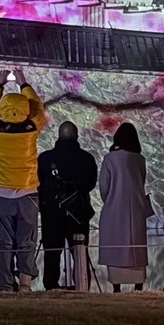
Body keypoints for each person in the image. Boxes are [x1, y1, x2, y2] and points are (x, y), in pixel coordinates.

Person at [0, 68, 46, 292]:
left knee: (2, 241)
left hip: (2, 192)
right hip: (28, 191)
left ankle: (5, 286)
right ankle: (26, 283)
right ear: (25, 109)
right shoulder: (32, 128)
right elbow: (38, 107)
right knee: (27, 238)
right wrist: (23, 84)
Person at [39, 121, 98, 290]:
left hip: (51, 214)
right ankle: (82, 285)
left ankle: (51, 288)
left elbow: (40, 185)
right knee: (79, 253)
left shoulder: (45, 158)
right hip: (78, 213)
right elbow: (90, 183)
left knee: (51, 254)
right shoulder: (87, 158)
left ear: (58, 136)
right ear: (76, 135)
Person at [97, 122, 150, 292]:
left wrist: (111, 200)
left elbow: (104, 187)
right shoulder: (140, 160)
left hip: (114, 210)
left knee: (116, 247)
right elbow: (141, 182)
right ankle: (138, 285)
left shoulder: (110, 158)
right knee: (136, 247)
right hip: (136, 209)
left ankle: (117, 287)